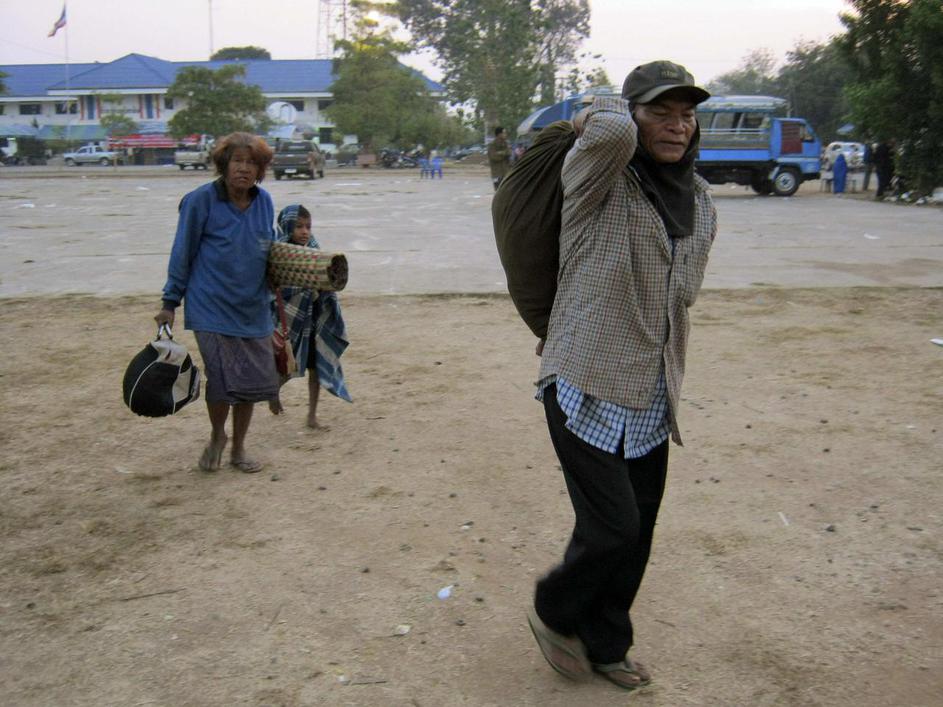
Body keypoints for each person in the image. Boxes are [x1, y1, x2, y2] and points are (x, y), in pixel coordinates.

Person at [525, 61, 717, 691]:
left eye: (687, 114)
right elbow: (607, 131)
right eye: (660, 111)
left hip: (652, 390)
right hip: (583, 377)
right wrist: (595, 111)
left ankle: (607, 644)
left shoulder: (701, 200)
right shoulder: (599, 176)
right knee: (614, 526)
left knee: (639, 532)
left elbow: (682, 295)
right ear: (632, 117)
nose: (678, 125)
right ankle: (554, 610)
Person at [155, 132, 277, 474]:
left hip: (253, 307)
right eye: (237, 161)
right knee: (222, 379)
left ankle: (238, 447)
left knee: (249, 383)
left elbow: (269, 247)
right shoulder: (200, 201)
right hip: (210, 305)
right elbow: (182, 252)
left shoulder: (264, 201)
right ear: (224, 164)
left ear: (260, 170)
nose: (244, 168)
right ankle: (217, 436)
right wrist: (169, 302)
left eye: (252, 163)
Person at [268, 204, 352, 428]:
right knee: (287, 364)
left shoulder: (314, 251)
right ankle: (273, 392)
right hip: (290, 321)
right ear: (287, 226)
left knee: (316, 366)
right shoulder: (280, 254)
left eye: (308, 226)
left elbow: (325, 280)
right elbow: (274, 290)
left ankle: (312, 416)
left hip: (314, 318)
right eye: (299, 227)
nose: (305, 231)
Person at [487, 126, 511, 191]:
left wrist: (500, 153)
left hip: (506, 172)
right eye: (504, 133)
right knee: (498, 192)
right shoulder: (492, 145)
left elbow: (509, 153)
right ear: (499, 134)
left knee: (507, 191)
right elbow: (494, 157)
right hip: (497, 173)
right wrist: (504, 153)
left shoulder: (506, 143)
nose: (505, 134)